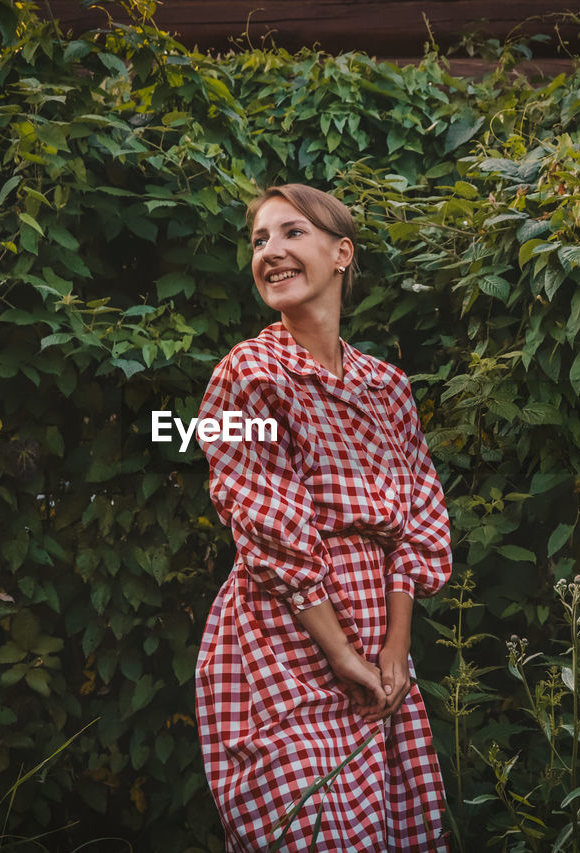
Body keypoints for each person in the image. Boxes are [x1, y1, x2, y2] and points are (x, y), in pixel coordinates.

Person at [194, 183, 452, 850]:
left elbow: (418, 519)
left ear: (342, 253)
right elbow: (267, 525)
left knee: (391, 827)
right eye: (259, 240)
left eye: (290, 234)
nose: (270, 252)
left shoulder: (386, 386)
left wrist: (395, 648)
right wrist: (339, 652)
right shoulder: (248, 375)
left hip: (378, 642)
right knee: (312, 826)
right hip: (285, 636)